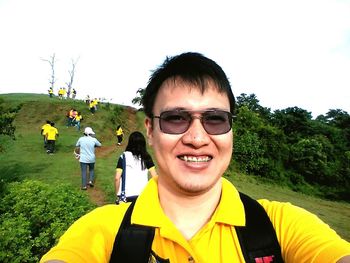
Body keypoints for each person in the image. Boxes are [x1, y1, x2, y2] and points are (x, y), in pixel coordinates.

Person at [40, 52, 350, 262]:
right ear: (150, 129)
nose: (197, 138)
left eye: (215, 119)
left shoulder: (282, 225)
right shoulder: (101, 231)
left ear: (230, 129)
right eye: (176, 118)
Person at [114, 131, 157, 204]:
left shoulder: (123, 157)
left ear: (130, 143)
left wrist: (117, 194)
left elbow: (117, 178)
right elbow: (155, 177)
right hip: (143, 197)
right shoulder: (146, 157)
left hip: (126, 198)